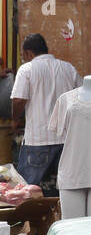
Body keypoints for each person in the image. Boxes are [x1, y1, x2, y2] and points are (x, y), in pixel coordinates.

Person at [10, 34, 80, 190]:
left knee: (27, 193)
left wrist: (15, 119)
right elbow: (81, 99)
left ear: (28, 53)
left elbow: (19, 100)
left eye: (23, 56)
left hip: (37, 141)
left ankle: (30, 215)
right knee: (64, 191)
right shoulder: (68, 68)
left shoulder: (26, 69)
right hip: (66, 140)